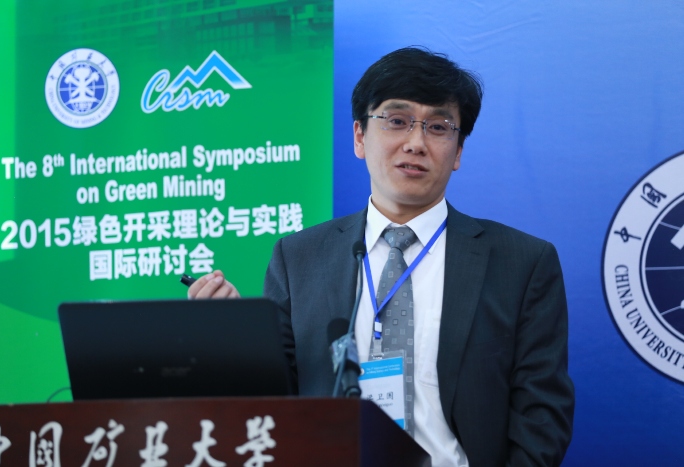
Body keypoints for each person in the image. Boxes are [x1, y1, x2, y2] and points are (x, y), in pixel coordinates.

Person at [189, 47, 575, 466]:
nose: (416, 143)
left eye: (438, 127)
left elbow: (542, 416)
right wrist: (234, 338)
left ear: (459, 151)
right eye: (396, 121)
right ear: (359, 136)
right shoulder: (298, 257)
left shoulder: (522, 263)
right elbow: (275, 401)